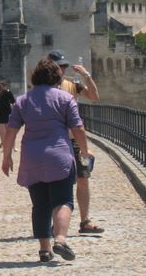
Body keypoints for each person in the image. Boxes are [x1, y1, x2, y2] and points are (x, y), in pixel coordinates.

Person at [1, 58, 92, 263]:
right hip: (59, 156)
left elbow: (11, 130)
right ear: (57, 77)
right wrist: (85, 150)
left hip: (32, 156)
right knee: (63, 201)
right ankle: (60, 239)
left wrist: (7, 157)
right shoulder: (65, 98)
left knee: (40, 204)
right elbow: (78, 127)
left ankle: (44, 249)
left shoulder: (23, 100)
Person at [48, 50, 105, 234]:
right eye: (59, 66)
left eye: (64, 66)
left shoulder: (72, 84)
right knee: (55, 182)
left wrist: (86, 75)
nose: (62, 70)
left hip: (72, 140)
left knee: (83, 178)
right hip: (55, 141)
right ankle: (56, 222)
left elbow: (94, 97)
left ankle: (85, 220)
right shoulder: (43, 87)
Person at [0, 81, 16, 148]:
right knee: (9, 131)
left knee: (2, 132)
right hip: (8, 113)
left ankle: (4, 145)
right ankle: (13, 146)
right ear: (5, 86)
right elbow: (13, 102)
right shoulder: (8, 91)